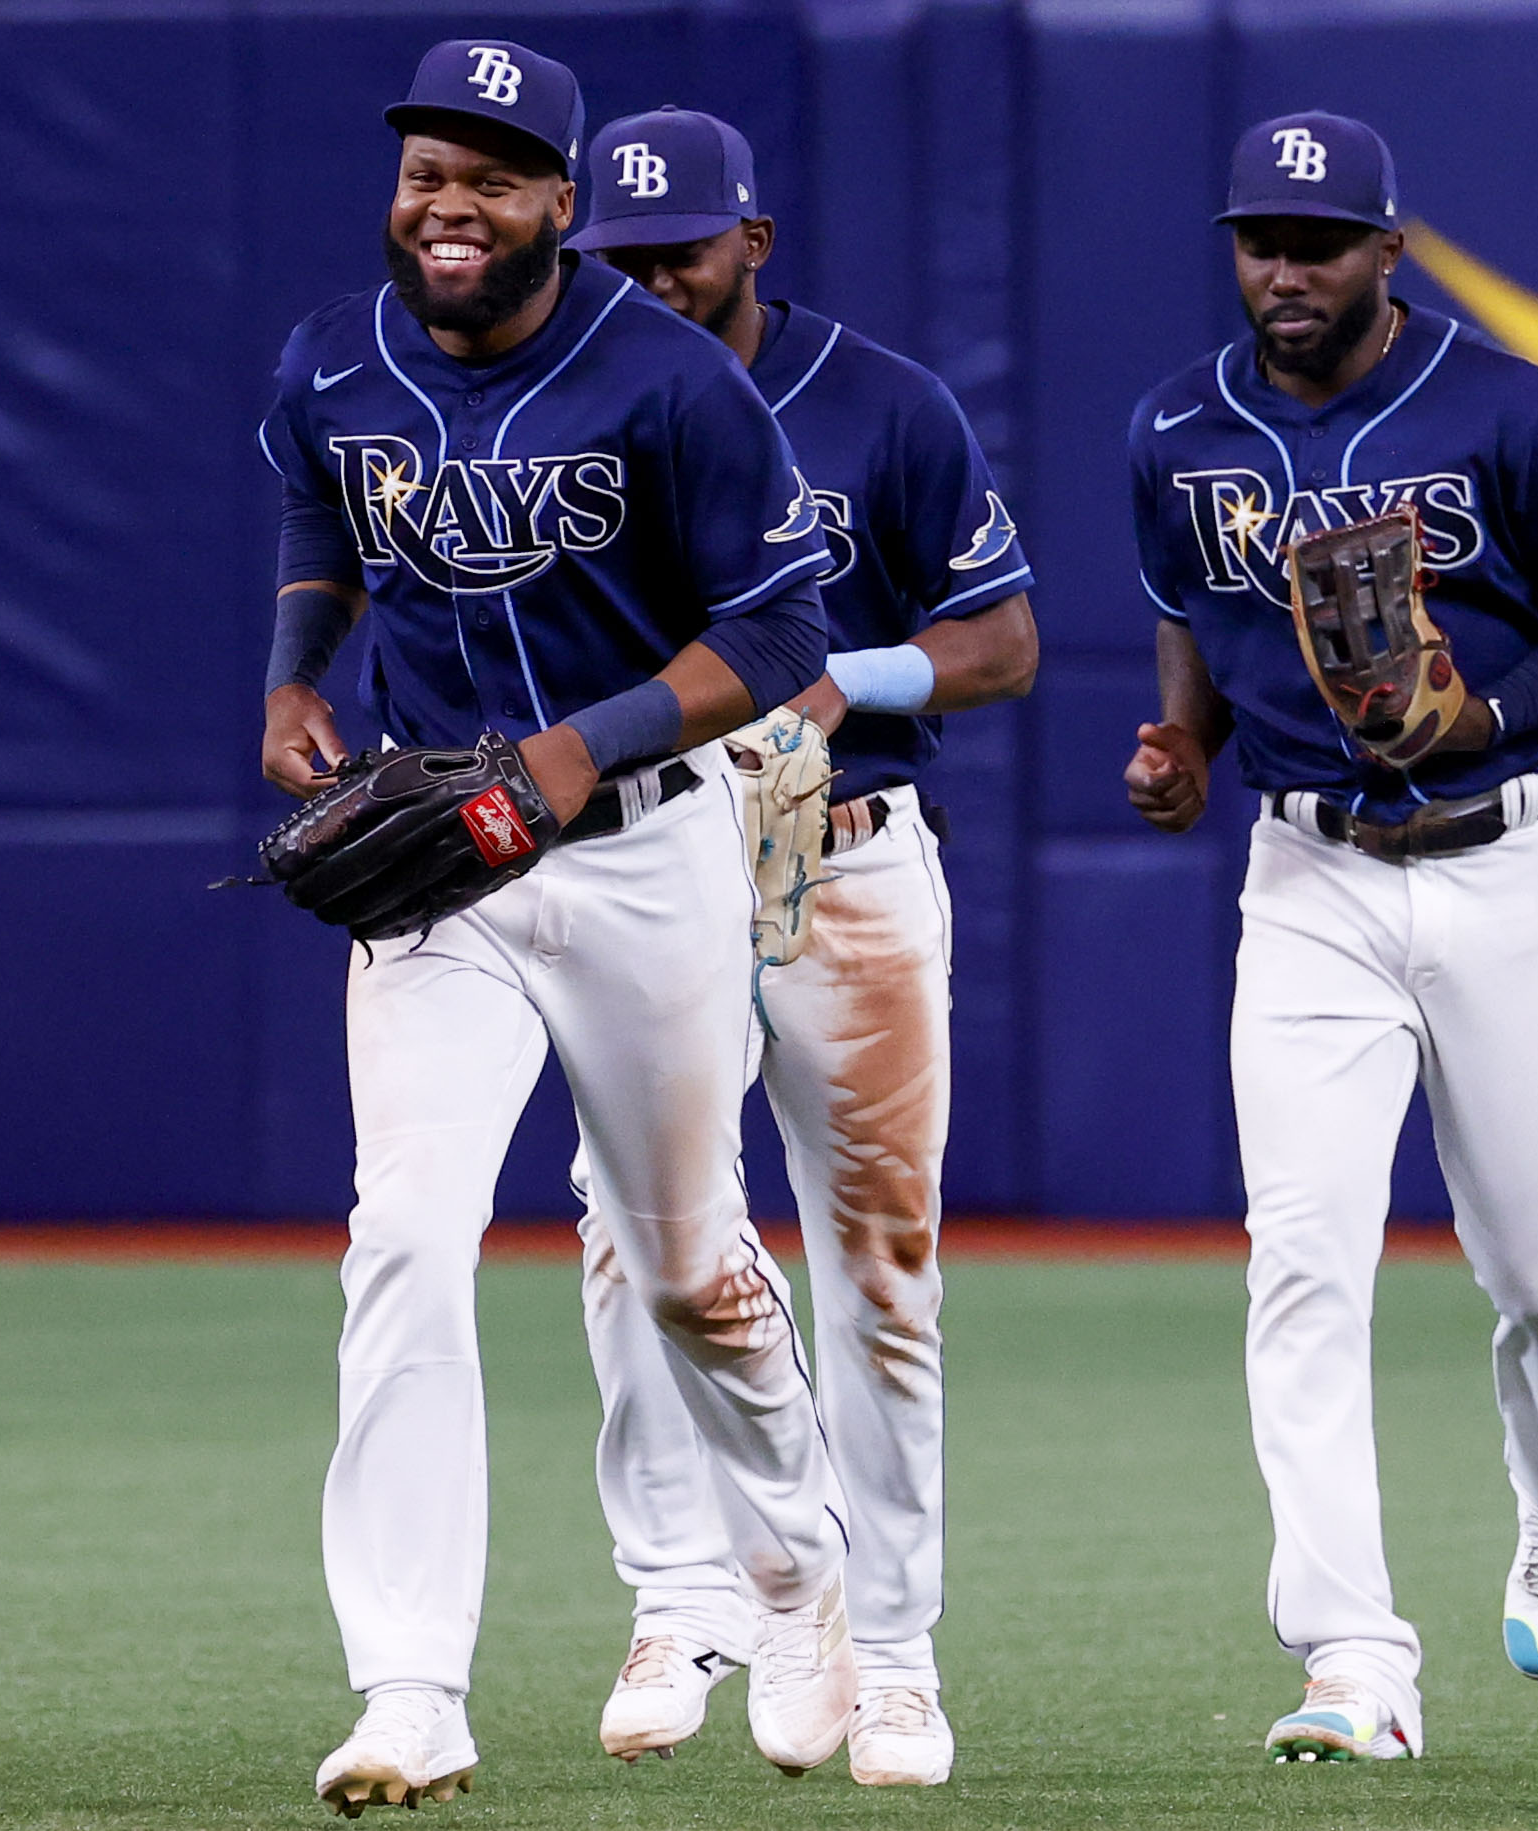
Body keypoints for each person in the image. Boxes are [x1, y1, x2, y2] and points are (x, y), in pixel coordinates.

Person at [252, 42, 863, 1812]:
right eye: (429, 171)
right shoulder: (334, 356)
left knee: (681, 1267)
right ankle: (410, 1690)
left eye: (496, 178)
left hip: (643, 855)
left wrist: (569, 752)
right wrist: (297, 673)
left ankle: (800, 1563)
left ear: (562, 209)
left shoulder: (669, 381)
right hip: (446, 859)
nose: (451, 206)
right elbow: (319, 503)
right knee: (404, 1241)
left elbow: (773, 642)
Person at [1121, 111, 1538, 1763]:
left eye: (1316, 240)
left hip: (1508, 860)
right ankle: (1351, 1658)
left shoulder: (1501, 405)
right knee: (1300, 1262)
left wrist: (1490, 711)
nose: (1281, 270)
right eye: (1257, 239)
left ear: (1386, 249)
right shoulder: (1174, 427)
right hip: (1309, 881)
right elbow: (1188, 612)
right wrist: (1182, 748)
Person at [560, 106, 1039, 1789]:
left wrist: (856, 680)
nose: (646, 283)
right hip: (654, 863)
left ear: (750, 243)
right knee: (636, 1241)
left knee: (881, 1266)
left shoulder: (878, 401)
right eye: (612, 258)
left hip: (843, 854)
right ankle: (688, 1590)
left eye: (676, 252)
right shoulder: (560, 406)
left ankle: (893, 1655)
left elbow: (1003, 640)